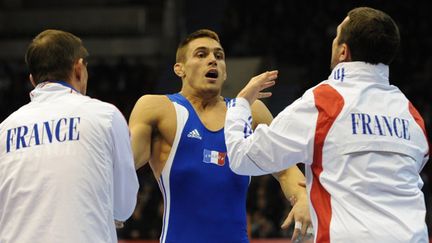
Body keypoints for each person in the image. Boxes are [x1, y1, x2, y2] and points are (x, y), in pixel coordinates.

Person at [224, 7, 429, 243]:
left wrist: (240, 104)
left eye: (336, 36)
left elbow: (242, 158)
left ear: (343, 51)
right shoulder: (411, 114)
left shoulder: (324, 101)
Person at [129, 29, 311, 243]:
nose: (212, 60)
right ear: (180, 69)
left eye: (219, 56)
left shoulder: (251, 112)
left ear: (225, 72)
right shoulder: (157, 108)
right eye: (201, 54)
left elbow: (285, 169)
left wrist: (302, 197)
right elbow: (126, 163)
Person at [0, 29, 139, 243]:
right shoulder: (105, 116)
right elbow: (123, 206)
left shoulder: (4, 129)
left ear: (31, 79)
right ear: (79, 68)